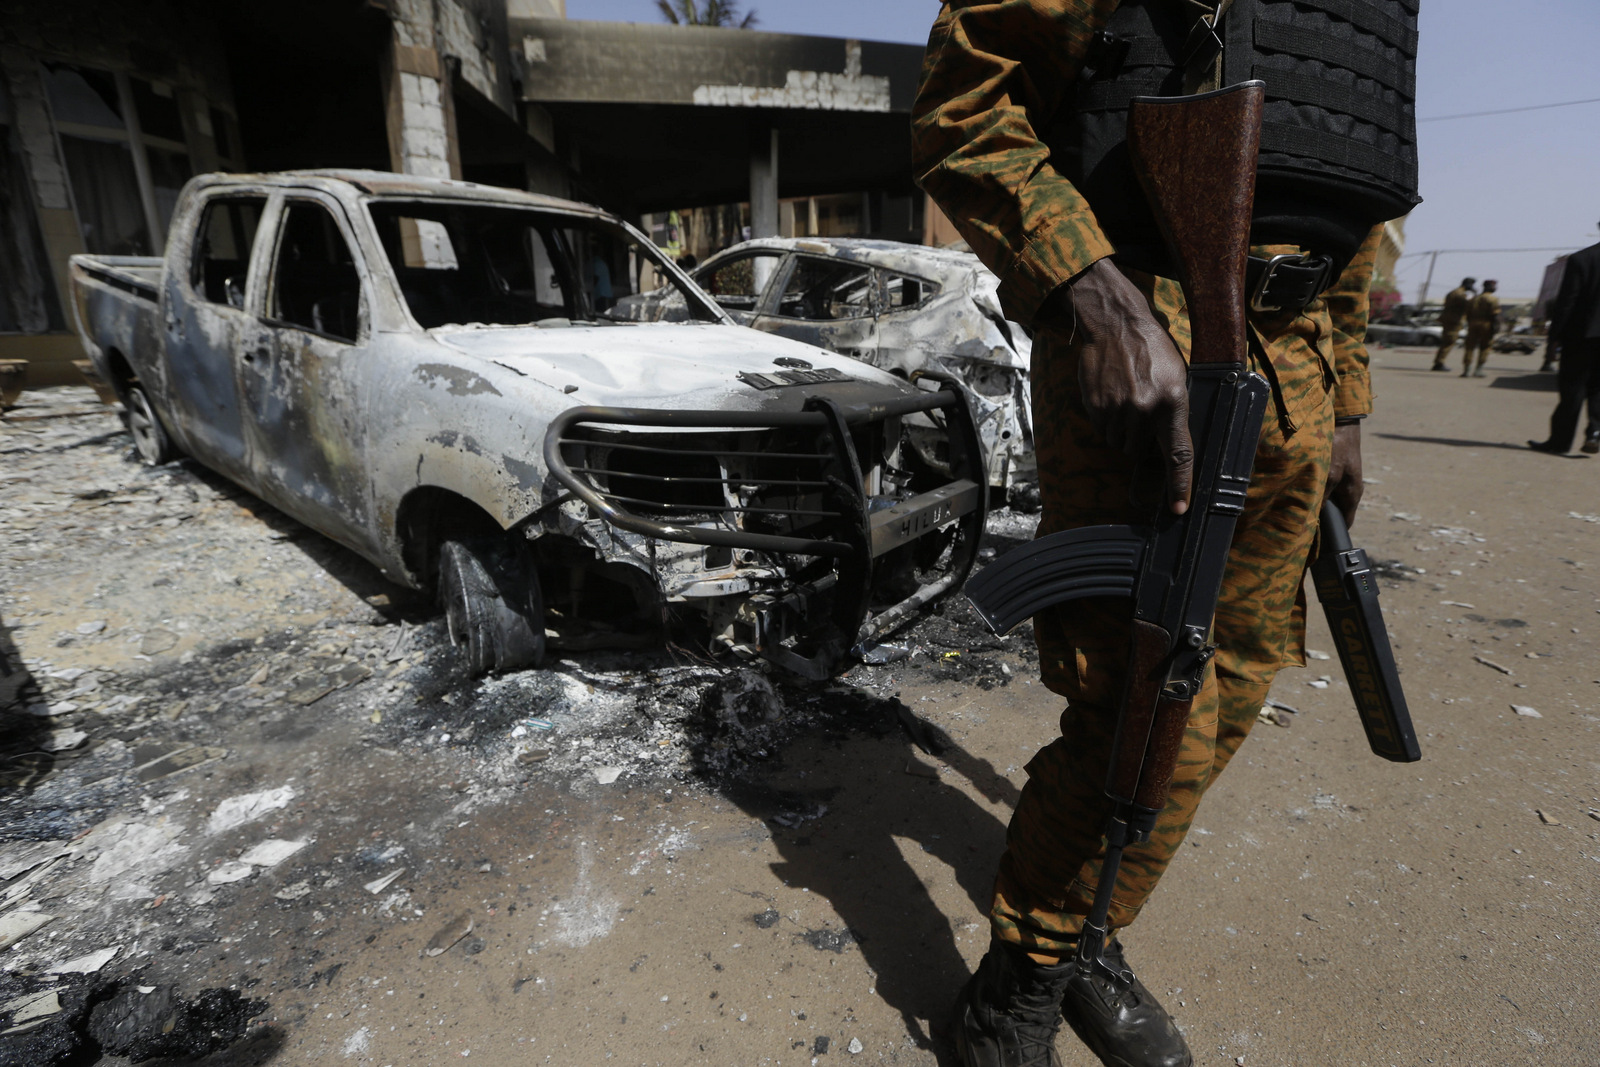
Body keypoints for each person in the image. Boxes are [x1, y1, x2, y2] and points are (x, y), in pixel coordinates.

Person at [911, 2, 1418, 1065]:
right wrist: (1093, 299)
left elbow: (1355, 199)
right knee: (1137, 704)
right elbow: (966, 111)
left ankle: (1090, 928)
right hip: (1149, 347)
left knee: (1228, 692)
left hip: (1302, 356)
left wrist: (1351, 399)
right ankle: (1017, 986)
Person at [1530, 232, 1600, 455]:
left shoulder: (1582, 259)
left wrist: (1554, 340)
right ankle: (1595, 433)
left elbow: (1567, 301)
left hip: (1581, 336)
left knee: (1573, 389)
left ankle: (1560, 442)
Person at [1432, 277, 1476, 371]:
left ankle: (1439, 362)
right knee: (1449, 341)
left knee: (1447, 341)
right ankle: (1439, 363)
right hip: (1453, 321)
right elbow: (1467, 304)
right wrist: (1474, 295)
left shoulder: (1455, 292)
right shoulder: (1459, 294)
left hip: (1451, 319)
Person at [1460, 280, 1500, 378]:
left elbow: (1467, 313)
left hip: (1473, 324)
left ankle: (1466, 370)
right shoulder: (1492, 299)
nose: (1495, 288)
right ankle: (1478, 370)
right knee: (1485, 347)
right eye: (1494, 286)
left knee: (1470, 347)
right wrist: (1495, 327)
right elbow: (1495, 314)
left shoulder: (1473, 298)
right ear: (1489, 287)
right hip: (1486, 324)